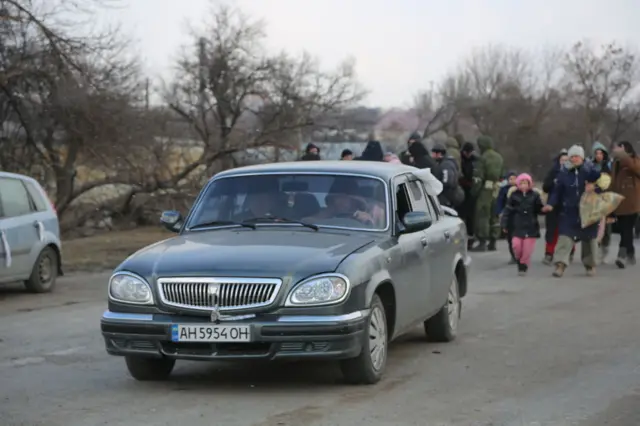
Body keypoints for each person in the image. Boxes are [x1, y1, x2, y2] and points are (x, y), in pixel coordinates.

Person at [543, 145, 601, 278]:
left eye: (577, 156)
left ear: (582, 157)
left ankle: (590, 265)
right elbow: (556, 191)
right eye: (572, 156)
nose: (574, 159)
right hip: (568, 210)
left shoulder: (589, 170)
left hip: (587, 211)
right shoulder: (563, 173)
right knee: (564, 237)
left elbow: (602, 183)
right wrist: (551, 204)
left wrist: (594, 186)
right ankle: (560, 265)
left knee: (589, 239)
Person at [501, 173, 545, 275]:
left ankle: (523, 265)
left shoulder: (535, 195)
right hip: (517, 225)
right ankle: (518, 258)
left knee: (527, 250)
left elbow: (539, 209)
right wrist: (504, 224)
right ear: (518, 184)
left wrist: (545, 209)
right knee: (516, 246)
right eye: (521, 183)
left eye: (526, 183)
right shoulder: (513, 196)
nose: (524, 185)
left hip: (531, 226)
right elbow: (507, 211)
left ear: (530, 184)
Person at [469, 135, 504, 252]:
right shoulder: (499, 157)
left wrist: (474, 191)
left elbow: (478, 177)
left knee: (482, 214)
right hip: (496, 188)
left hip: (485, 189)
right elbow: (502, 174)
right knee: (494, 214)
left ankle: (482, 241)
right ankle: (493, 241)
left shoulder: (482, 158)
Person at [609, 141, 640, 268]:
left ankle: (621, 255)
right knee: (624, 229)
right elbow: (613, 181)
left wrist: (624, 156)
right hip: (619, 202)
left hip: (632, 202)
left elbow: (636, 169)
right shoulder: (616, 164)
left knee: (626, 228)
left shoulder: (634, 160)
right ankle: (630, 253)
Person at [541, 149, 569, 264]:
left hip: (567, 204)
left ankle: (568, 253)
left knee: (567, 230)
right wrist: (553, 182)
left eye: (566, 160)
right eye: (562, 160)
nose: (564, 162)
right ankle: (549, 253)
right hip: (553, 205)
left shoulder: (574, 172)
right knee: (552, 230)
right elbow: (545, 187)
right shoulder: (553, 172)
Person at [590, 142, 613, 262]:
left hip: (606, 199)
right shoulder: (590, 166)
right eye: (596, 153)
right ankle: (595, 249)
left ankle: (605, 247)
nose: (599, 155)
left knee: (607, 226)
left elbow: (611, 182)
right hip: (593, 199)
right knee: (595, 225)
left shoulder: (608, 166)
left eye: (601, 153)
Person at [430, 143, 463, 207]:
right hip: (447, 195)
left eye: (434, 153)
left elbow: (447, 181)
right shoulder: (442, 163)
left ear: (439, 154)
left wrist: (438, 188)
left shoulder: (446, 165)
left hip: (447, 196)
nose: (432, 155)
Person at [459, 142, 478, 249]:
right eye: (467, 152)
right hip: (462, 189)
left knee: (471, 216)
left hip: (471, 191)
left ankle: (470, 237)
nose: (469, 154)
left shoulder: (475, 160)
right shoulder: (460, 159)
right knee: (462, 215)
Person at [496, 171, 518, 263]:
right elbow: (500, 202)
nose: (512, 181)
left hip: (518, 216)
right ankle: (513, 255)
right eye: (510, 179)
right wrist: (499, 212)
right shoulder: (504, 190)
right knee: (510, 237)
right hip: (507, 215)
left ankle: (520, 254)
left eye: (514, 178)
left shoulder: (520, 189)